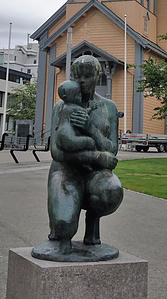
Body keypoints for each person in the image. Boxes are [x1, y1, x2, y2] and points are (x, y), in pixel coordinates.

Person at [33, 55, 123, 260]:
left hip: (94, 174)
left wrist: (90, 128)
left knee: (111, 191)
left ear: (97, 76)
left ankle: (93, 223)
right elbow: (57, 152)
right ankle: (60, 234)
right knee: (64, 224)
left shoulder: (109, 107)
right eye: (78, 76)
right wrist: (95, 155)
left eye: (88, 76)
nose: (82, 80)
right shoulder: (61, 107)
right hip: (66, 171)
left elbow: (113, 149)